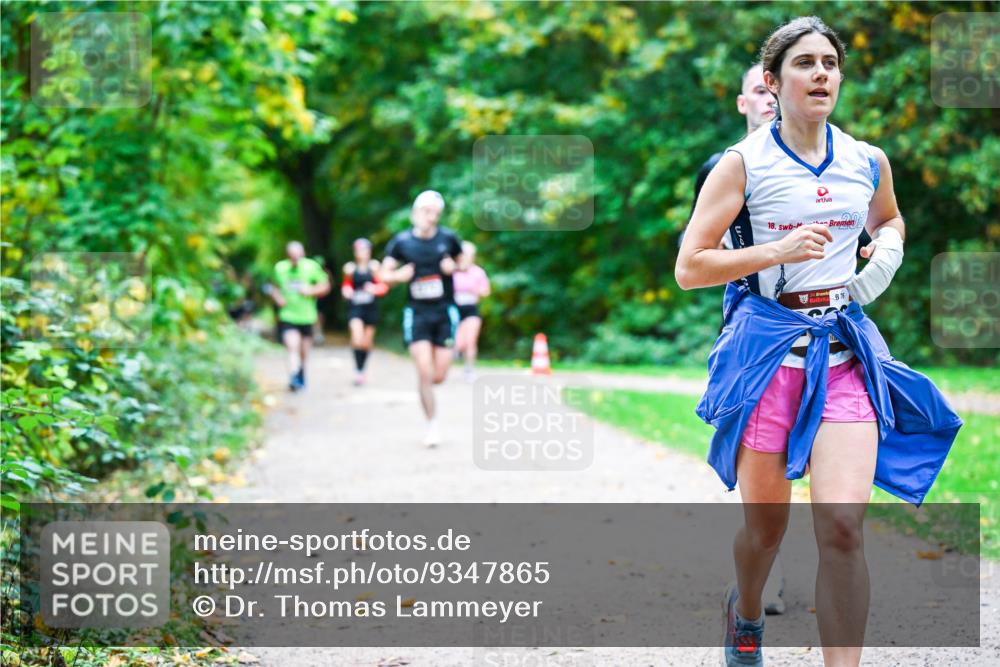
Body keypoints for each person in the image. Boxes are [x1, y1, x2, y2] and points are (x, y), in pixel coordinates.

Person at [676, 17, 961, 667]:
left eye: (830, 62)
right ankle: (745, 611)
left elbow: (888, 218)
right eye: (805, 63)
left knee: (841, 527)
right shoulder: (742, 164)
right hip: (770, 350)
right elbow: (690, 265)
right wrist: (774, 250)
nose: (822, 73)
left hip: (842, 351)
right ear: (773, 84)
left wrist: (881, 258)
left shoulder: (867, 160)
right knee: (765, 530)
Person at [690, 64, 787, 618]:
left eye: (773, 88)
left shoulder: (827, 162)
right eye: (759, 90)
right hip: (751, 319)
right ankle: (763, 573)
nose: (769, 97)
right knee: (764, 455)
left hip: (819, 322)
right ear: (742, 103)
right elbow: (698, 252)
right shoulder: (723, 168)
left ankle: (771, 565)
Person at [379, 190, 463, 447]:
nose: (432, 218)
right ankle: (432, 425)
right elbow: (383, 274)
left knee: (439, 375)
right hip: (416, 313)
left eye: (436, 214)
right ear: (416, 213)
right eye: (427, 212)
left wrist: (455, 268)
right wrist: (398, 277)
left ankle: (432, 393)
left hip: (445, 311)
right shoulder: (401, 242)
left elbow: (464, 262)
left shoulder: (448, 238)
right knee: (424, 370)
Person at [269, 241, 331, 392]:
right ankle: (294, 376)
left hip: (307, 317)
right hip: (288, 315)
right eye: (292, 256)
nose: (295, 259)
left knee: (304, 351)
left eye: (298, 256)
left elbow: (325, 286)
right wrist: (278, 298)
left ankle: (301, 372)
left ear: (302, 254)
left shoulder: (311, 266)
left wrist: (310, 290)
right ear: (288, 255)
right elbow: (273, 287)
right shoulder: (280, 268)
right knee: (292, 346)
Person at [341, 238, 388, 386]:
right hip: (355, 308)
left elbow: (383, 286)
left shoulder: (374, 267)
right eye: (360, 250)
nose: (363, 253)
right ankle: (358, 370)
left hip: (370, 308)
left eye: (365, 250)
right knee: (357, 338)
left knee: (366, 343)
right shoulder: (350, 268)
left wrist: (374, 289)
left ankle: (362, 370)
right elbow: (346, 286)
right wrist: (347, 291)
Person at [452, 241, 491, 383]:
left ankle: (469, 369)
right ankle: (454, 353)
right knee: (458, 342)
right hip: (454, 309)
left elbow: (485, 291)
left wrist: (474, 288)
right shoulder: (452, 271)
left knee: (471, 341)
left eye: (470, 255)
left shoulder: (478, 272)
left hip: (471, 309)